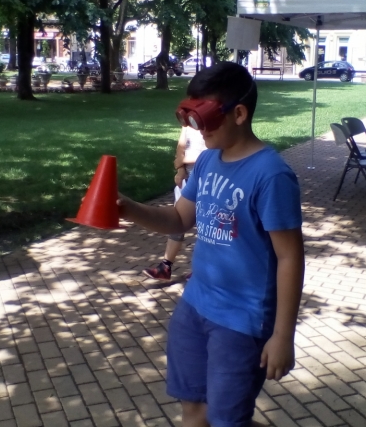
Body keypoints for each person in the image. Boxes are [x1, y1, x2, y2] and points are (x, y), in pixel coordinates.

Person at [118, 62, 305, 427]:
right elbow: (179, 220)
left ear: (239, 113)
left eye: (206, 118)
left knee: (225, 420)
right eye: (192, 117)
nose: (198, 129)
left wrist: (283, 335)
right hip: (195, 305)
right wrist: (129, 208)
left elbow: (290, 258)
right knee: (194, 412)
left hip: (242, 320)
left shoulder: (272, 175)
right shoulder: (206, 162)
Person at [143, 125, 206, 280]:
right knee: (178, 219)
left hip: (206, 177)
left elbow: (210, 153)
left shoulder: (210, 122)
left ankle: (201, 270)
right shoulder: (188, 122)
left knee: (205, 224)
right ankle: (165, 267)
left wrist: (182, 161)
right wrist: (180, 169)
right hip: (188, 177)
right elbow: (181, 146)